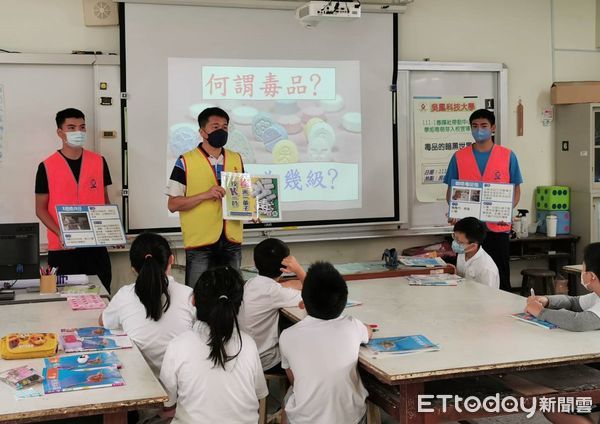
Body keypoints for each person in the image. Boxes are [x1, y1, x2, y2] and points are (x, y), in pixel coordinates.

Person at [160, 266, 268, 423]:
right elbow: (260, 394)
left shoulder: (178, 346)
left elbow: (167, 403)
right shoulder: (248, 345)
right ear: (239, 305)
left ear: (193, 300)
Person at [279, 262, 372, 424]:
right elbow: (368, 332)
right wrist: (366, 327)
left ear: (304, 301)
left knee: (288, 398)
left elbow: (294, 380)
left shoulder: (287, 336)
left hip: (305, 420)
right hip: (351, 418)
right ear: (343, 301)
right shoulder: (352, 325)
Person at [35, 108, 114, 292]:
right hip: (63, 250)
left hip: (95, 248)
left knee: (101, 296)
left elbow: (105, 201)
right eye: (71, 127)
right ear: (60, 132)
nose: (78, 132)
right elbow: (40, 209)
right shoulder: (46, 166)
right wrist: (60, 233)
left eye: (82, 127)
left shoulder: (99, 161)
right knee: (65, 303)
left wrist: (112, 227)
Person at [444, 109, 523, 292]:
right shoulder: (459, 156)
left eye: (484, 126)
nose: (479, 130)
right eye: (475, 126)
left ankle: (502, 317)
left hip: (497, 228)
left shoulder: (507, 155)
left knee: (500, 279)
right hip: (468, 232)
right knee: (466, 279)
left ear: (493, 128)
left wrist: (507, 210)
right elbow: (451, 192)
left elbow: (516, 190)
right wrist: (454, 212)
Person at [166, 107, 245, 287]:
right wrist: (205, 195)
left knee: (233, 294)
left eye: (225, 127)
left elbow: (242, 196)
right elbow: (172, 204)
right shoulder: (185, 161)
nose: (221, 131)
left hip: (231, 239)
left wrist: (253, 210)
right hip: (200, 242)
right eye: (215, 126)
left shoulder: (236, 159)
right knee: (197, 295)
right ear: (202, 132)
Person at [100, 232, 195, 377]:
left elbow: (103, 321)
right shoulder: (189, 295)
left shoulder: (125, 294)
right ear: (171, 260)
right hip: (181, 385)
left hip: (139, 385)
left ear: (133, 268)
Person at [238, 238, 305, 372]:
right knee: (302, 349)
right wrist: (298, 270)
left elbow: (279, 288)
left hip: (244, 357)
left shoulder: (251, 283)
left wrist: (286, 285)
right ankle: (296, 389)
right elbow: (317, 293)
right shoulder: (274, 293)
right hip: (265, 361)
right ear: (285, 266)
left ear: (255, 264)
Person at [526, 243, 600, 331]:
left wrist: (541, 312)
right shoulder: (597, 296)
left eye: (583, 268)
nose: (581, 272)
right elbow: (574, 302)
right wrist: (547, 301)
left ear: (591, 275)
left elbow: (578, 322)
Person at [452, 217, 499, 289]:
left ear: (473, 246)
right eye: (454, 237)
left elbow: (488, 298)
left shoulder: (486, 269)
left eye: (460, 242)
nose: (455, 243)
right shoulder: (463, 252)